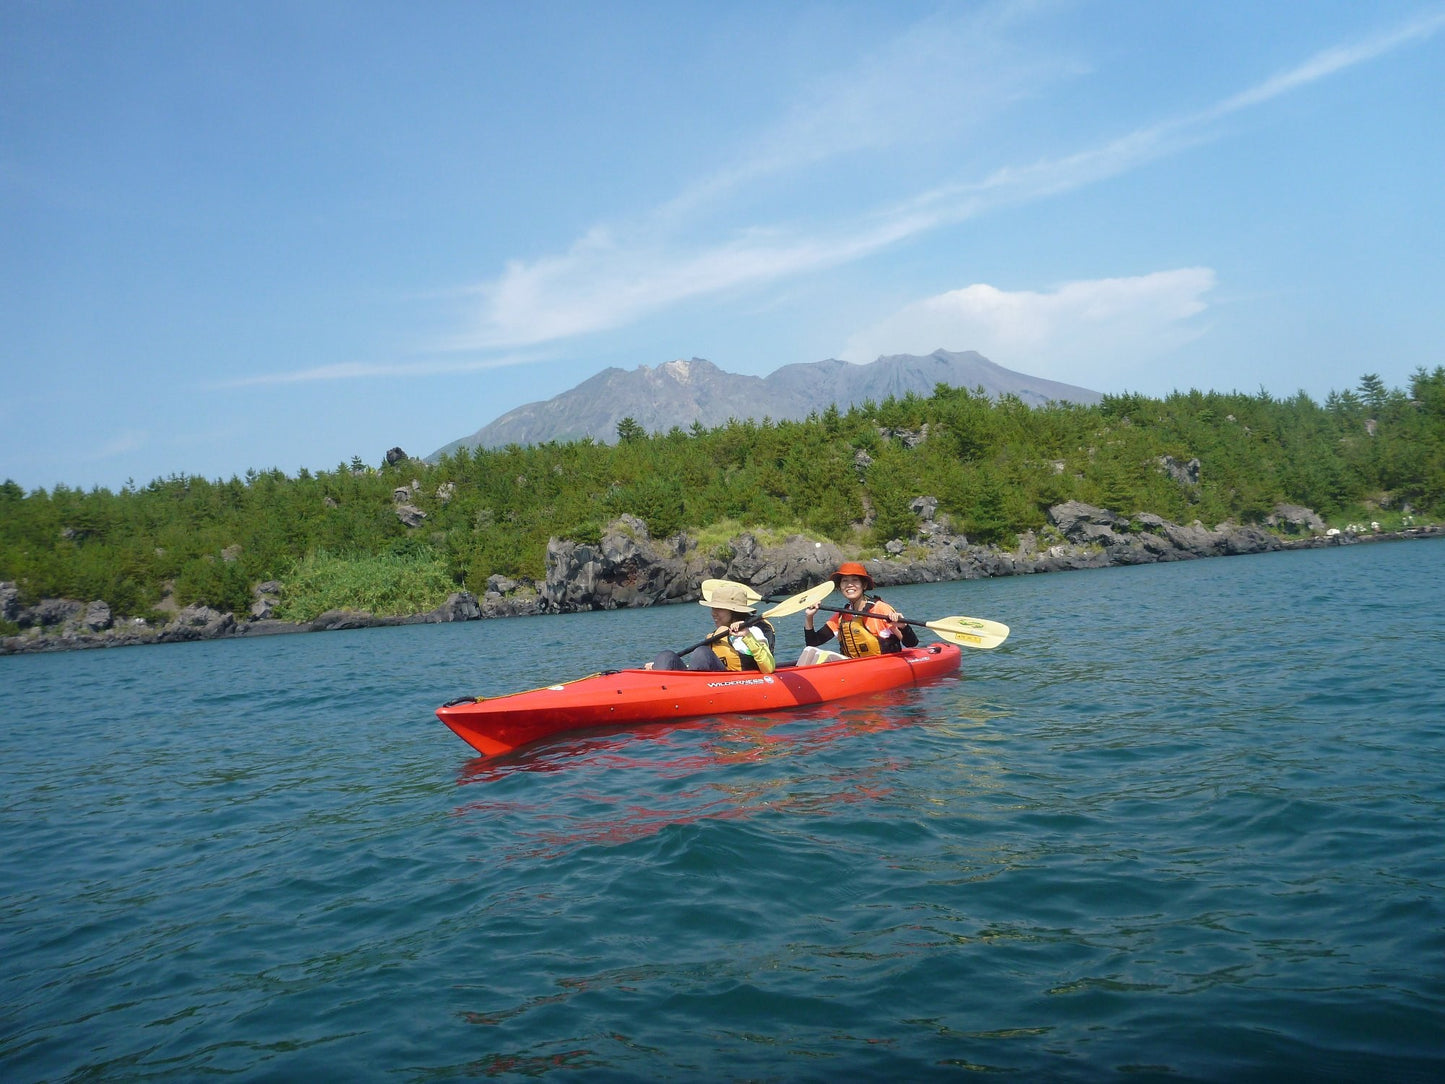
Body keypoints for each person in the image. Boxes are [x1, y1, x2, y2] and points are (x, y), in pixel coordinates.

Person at [647, 580, 776, 672]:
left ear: (734, 610)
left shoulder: (753, 631)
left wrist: (748, 636)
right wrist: (660, 667)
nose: (713, 613)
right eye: (713, 608)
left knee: (702, 653)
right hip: (710, 680)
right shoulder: (719, 634)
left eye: (719, 608)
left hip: (734, 684)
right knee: (666, 656)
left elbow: (769, 667)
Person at [803, 561, 917, 658]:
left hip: (884, 665)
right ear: (840, 586)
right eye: (845, 581)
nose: (849, 585)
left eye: (855, 580)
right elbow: (813, 642)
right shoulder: (842, 615)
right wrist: (809, 617)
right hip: (855, 667)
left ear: (864, 585)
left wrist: (903, 626)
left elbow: (911, 643)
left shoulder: (880, 609)